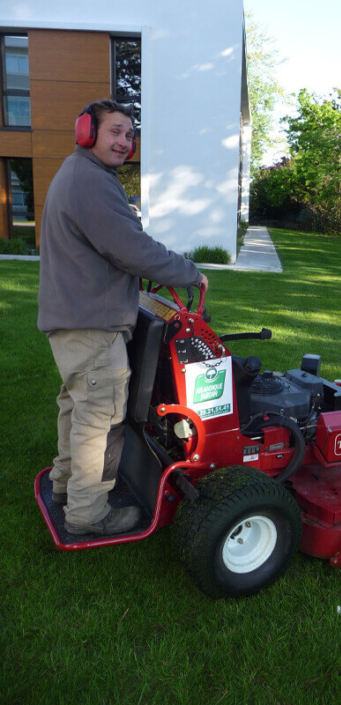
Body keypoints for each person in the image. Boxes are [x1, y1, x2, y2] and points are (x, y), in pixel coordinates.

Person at [38, 99, 208, 537]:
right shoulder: (91, 182)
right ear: (86, 132)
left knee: (77, 411)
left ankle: (64, 487)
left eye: (129, 135)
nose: (124, 141)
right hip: (92, 325)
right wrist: (190, 272)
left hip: (74, 322)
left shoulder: (80, 175)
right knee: (100, 420)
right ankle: (88, 513)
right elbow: (131, 248)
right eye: (114, 131)